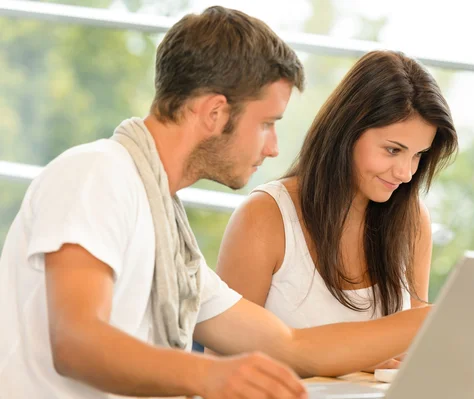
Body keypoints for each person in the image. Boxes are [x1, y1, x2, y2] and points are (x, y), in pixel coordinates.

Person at [0, 7, 432, 399]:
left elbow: (290, 346)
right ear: (214, 113)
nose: (274, 148)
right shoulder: (97, 174)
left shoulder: (172, 239)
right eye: (266, 124)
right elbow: (77, 343)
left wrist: (435, 321)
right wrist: (208, 375)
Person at [214, 50, 458, 370]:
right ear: (347, 132)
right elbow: (224, 367)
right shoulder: (264, 217)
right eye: (392, 150)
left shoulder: (411, 219)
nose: (406, 173)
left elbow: (408, 352)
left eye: (418, 155)